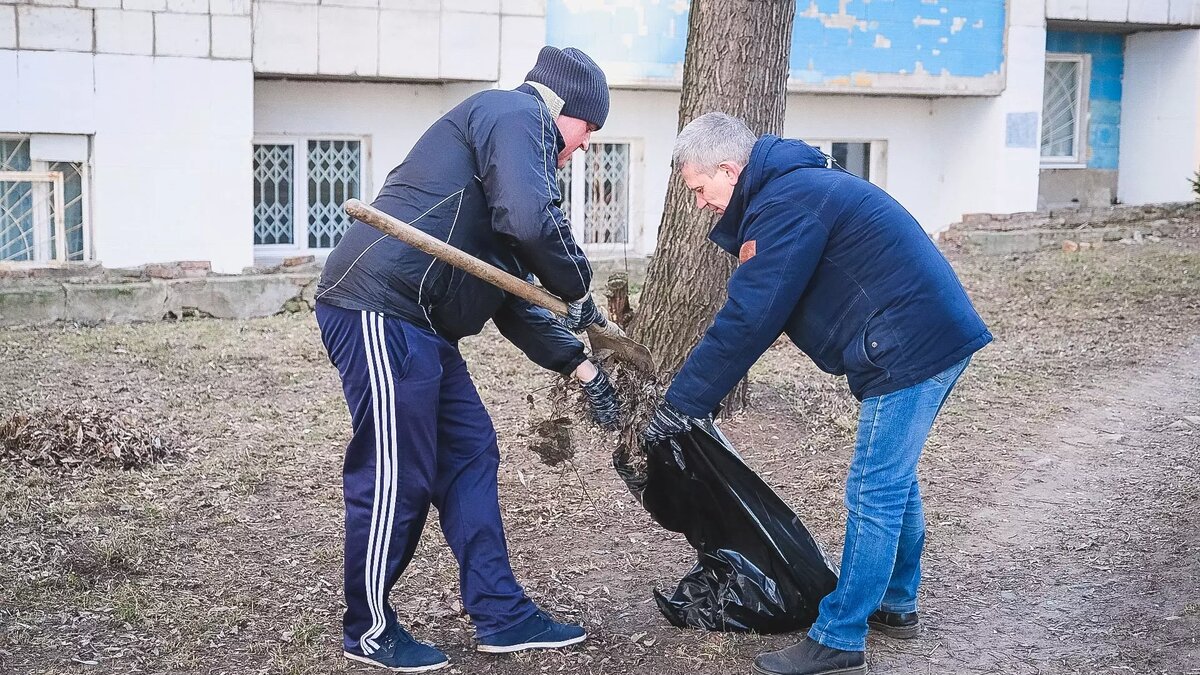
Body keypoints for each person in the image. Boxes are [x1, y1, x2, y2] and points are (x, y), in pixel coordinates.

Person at [639, 112, 993, 675]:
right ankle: (897, 603)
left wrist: (682, 405)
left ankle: (840, 636)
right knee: (893, 478)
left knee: (873, 489)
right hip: (924, 335)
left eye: (700, 189)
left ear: (729, 170)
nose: (701, 203)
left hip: (910, 344)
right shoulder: (794, 190)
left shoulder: (787, 203)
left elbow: (751, 316)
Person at [313, 46, 619, 672]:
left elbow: (509, 291)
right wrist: (579, 285)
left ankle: (501, 616)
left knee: (470, 452)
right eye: (589, 129)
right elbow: (534, 225)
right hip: (380, 305)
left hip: (423, 325)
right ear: (563, 110)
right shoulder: (513, 116)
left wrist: (581, 368)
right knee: (398, 469)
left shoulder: (512, 167)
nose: (586, 145)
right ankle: (367, 630)